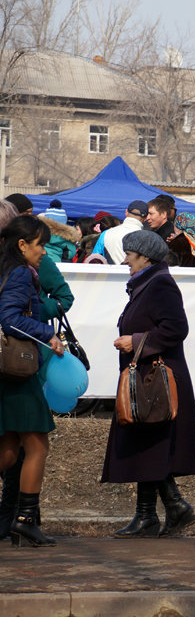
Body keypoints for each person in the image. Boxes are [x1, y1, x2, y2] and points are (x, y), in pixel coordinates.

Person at [102, 230, 195, 538]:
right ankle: (160, 512)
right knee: (148, 445)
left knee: (150, 443)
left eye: (130, 255)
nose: (126, 261)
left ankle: (165, 510)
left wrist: (138, 341)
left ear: (145, 257)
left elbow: (176, 327)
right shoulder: (146, 284)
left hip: (156, 380)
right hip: (146, 378)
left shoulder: (160, 285)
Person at [0, 215, 66, 547]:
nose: (44, 251)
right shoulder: (22, 274)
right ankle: (25, 520)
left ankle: (22, 519)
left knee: (9, 450)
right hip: (18, 373)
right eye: (40, 244)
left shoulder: (6, 267)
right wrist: (48, 334)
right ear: (22, 245)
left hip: (6, 373)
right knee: (38, 445)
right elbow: (10, 319)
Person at [101, 201, 148, 265]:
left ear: (126, 212)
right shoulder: (146, 237)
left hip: (110, 273)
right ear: (145, 218)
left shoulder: (106, 233)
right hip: (135, 274)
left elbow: (95, 257)